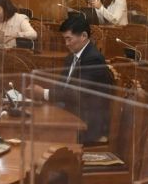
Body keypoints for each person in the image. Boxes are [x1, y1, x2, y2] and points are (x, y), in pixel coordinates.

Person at [31, 15, 114, 143]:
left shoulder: (94, 59)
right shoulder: (72, 56)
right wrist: (43, 95)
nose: (66, 44)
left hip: (87, 121)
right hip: (71, 110)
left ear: (84, 36)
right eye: (64, 39)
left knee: (41, 132)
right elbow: (61, 86)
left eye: (69, 39)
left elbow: (77, 93)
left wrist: (44, 93)